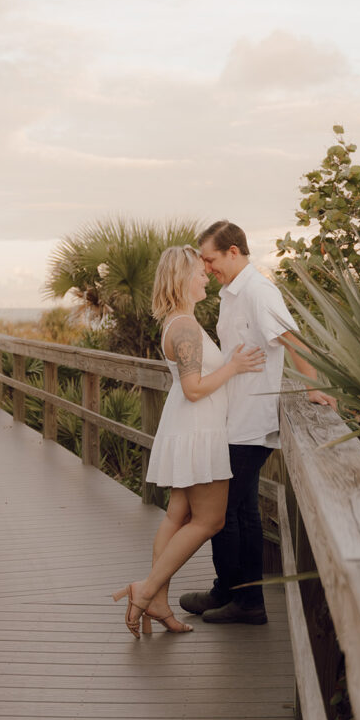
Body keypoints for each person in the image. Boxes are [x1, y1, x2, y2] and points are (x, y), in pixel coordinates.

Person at [179, 220, 338, 625]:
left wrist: (310, 388)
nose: (208, 267)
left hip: (252, 419)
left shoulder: (258, 290)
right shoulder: (233, 293)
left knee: (226, 510)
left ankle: (246, 601)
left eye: (211, 259)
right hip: (234, 418)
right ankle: (229, 590)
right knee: (239, 509)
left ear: (234, 251)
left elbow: (292, 338)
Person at [113, 244, 265, 638]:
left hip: (191, 427)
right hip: (198, 429)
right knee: (211, 519)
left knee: (178, 513)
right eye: (199, 272)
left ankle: (158, 597)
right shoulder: (183, 327)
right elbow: (194, 389)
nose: (205, 277)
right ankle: (146, 590)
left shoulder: (183, 322)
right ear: (182, 278)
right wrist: (233, 366)